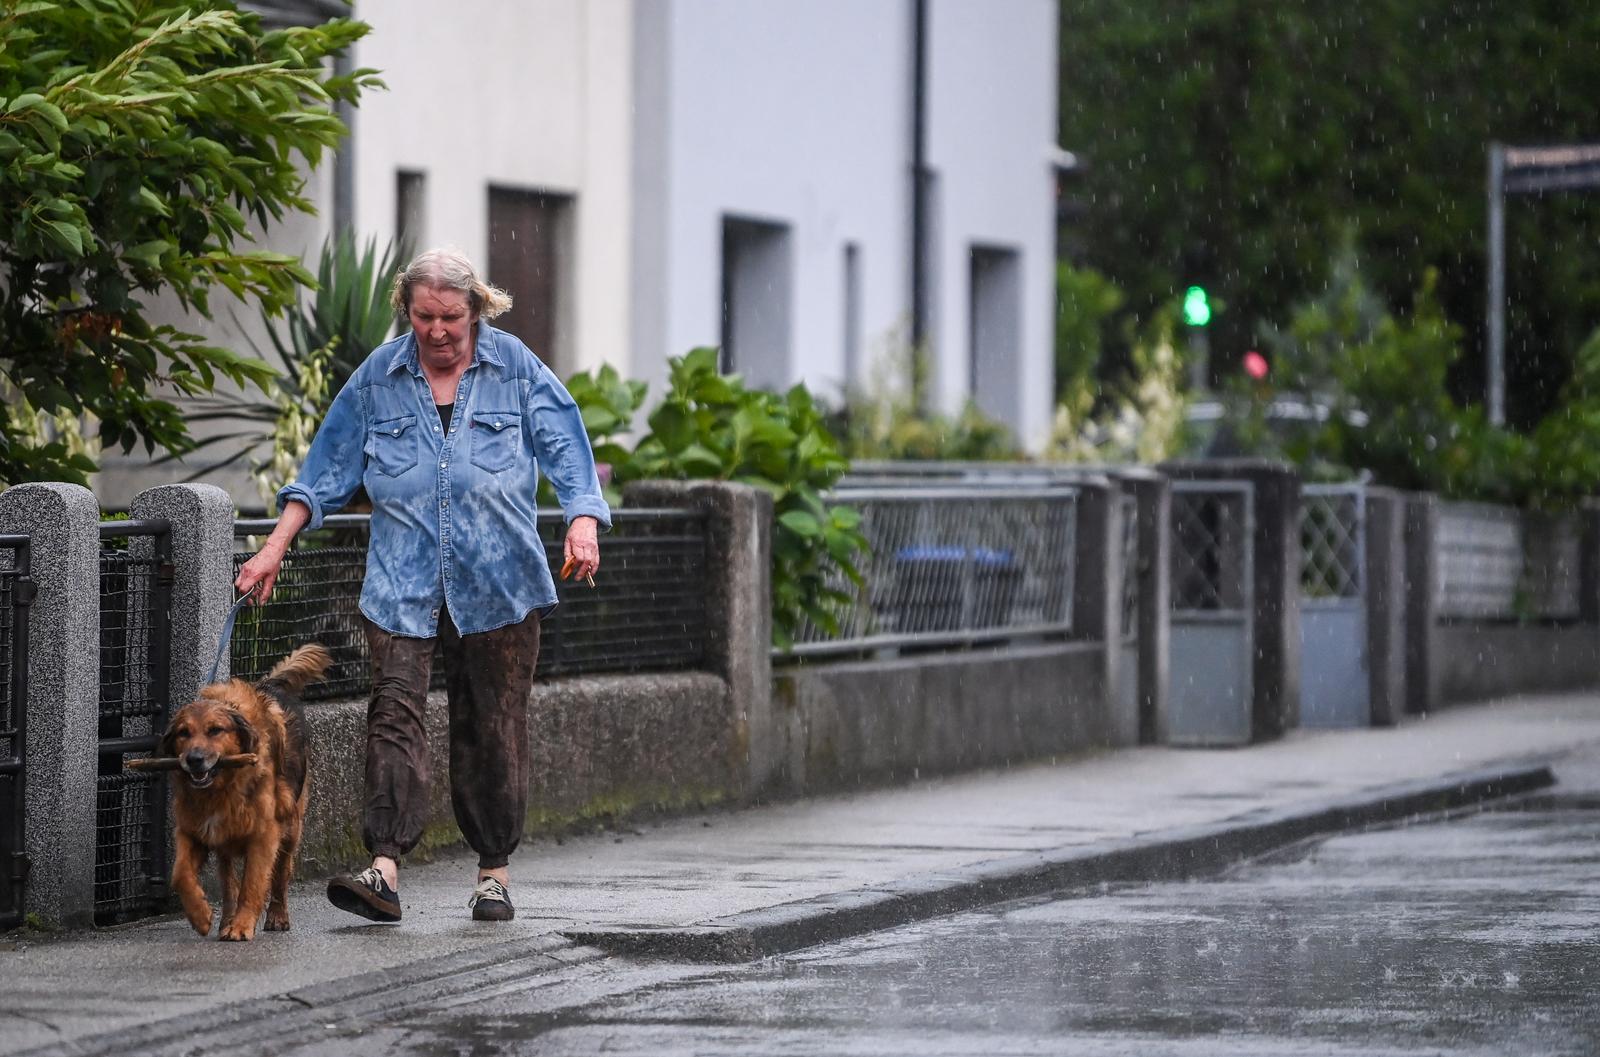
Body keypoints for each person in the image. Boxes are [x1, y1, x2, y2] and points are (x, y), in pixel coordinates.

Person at [235, 247, 609, 923]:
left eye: (451, 318)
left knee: (492, 726)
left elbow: (566, 447)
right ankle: (383, 869)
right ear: (406, 310)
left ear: (476, 310)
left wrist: (582, 519)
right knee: (393, 715)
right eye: (424, 316)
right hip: (401, 580)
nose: (437, 330)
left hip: (499, 581)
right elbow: (324, 472)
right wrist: (273, 548)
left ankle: (493, 874)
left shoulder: (516, 368)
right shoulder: (378, 378)